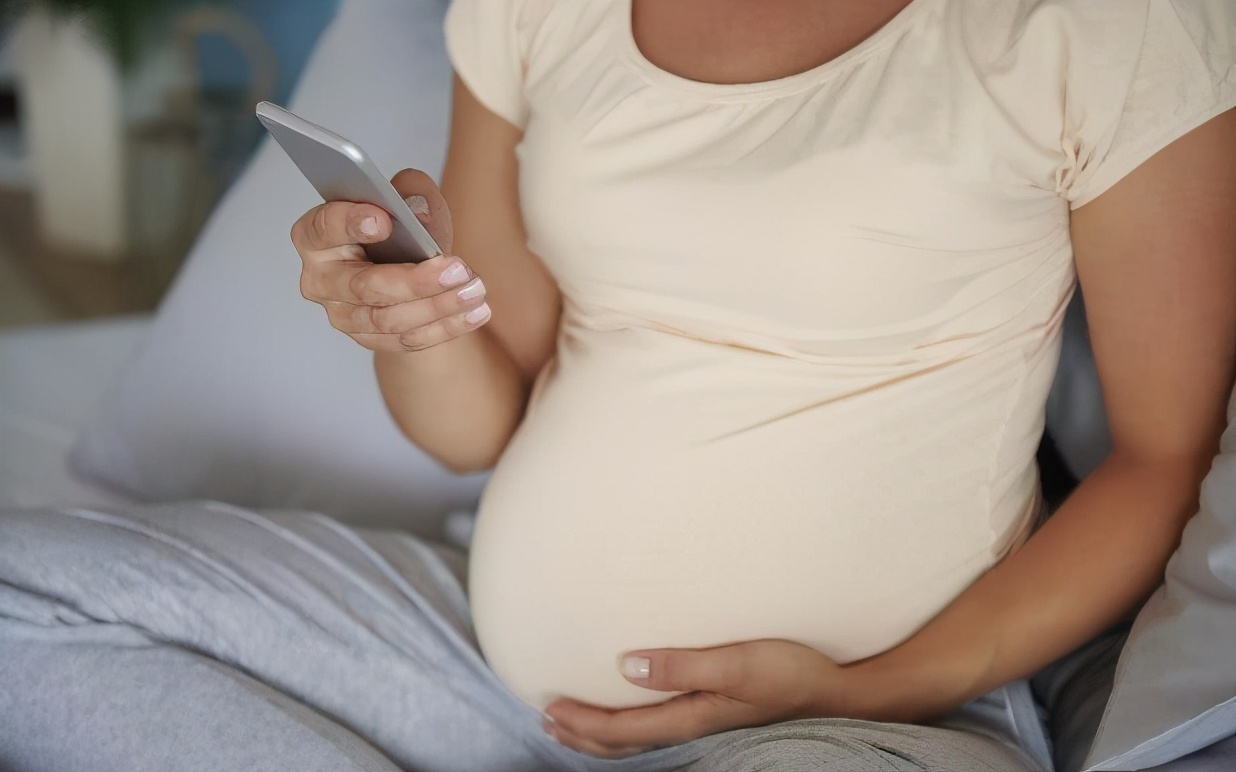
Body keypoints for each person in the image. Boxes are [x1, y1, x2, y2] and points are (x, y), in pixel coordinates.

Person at [1, 1, 1233, 770]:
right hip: (486, 681)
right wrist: (406, 317)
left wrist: (867, 686)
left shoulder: (1101, 25)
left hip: (859, 723)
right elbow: (480, 416)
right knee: (21, 597)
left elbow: (1161, 460)